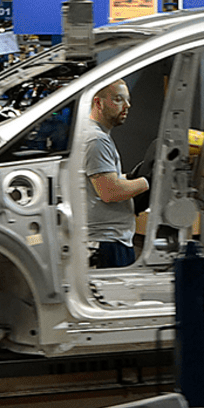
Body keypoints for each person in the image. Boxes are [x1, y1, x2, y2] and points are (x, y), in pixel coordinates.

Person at [84, 80, 149, 268]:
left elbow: (104, 181)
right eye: (118, 99)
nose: (127, 105)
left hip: (110, 240)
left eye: (127, 100)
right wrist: (149, 181)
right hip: (106, 242)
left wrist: (129, 178)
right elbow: (110, 191)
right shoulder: (96, 140)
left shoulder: (95, 134)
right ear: (98, 103)